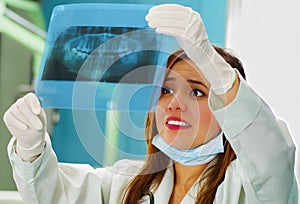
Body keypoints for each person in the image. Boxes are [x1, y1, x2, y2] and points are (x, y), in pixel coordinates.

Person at [3, 4, 298, 204]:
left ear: (228, 113)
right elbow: (56, 195)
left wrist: (214, 65)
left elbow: (272, 156)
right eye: (165, 90)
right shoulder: (126, 184)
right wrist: (32, 149)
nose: (174, 104)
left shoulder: (247, 189)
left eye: (197, 93)